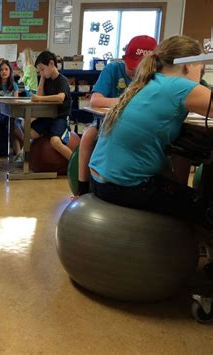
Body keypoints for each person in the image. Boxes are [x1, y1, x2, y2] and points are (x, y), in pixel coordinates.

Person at [89, 35, 213, 233]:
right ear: (188, 65)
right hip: (124, 186)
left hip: (99, 179)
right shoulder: (179, 87)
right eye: (201, 68)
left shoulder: (148, 81)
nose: (201, 75)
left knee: (183, 194)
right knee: (205, 208)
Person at [78, 35, 158, 195]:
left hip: (141, 126)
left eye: (140, 69)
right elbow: (95, 100)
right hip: (107, 121)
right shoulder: (113, 69)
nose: (135, 73)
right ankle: (82, 189)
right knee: (87, 136)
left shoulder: (155, 77)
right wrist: (127, 101)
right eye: (132, 67)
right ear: (124, 58)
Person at [30, 51, 73, 160]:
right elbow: (39, 96)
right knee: (29, 132)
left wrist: (39, 98)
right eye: (39, 71)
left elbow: (60, 98)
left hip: (61, 118)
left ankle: (76, 165)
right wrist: (42, 78)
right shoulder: (46, 79)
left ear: (51, 64)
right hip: (48, 117)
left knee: (55, 142)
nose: (41, 72)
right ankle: (24, 157)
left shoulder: (62, 80)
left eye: (42, 69)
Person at [0, 59, 24, 159]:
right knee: (11, 122)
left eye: (6, 69)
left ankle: (19, 155)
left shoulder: (14, 86)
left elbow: (16, 103)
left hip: (12, 113)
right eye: (1, 70)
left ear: (10, 71)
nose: (4, 71)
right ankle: (27, 143)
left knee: (13, 122)